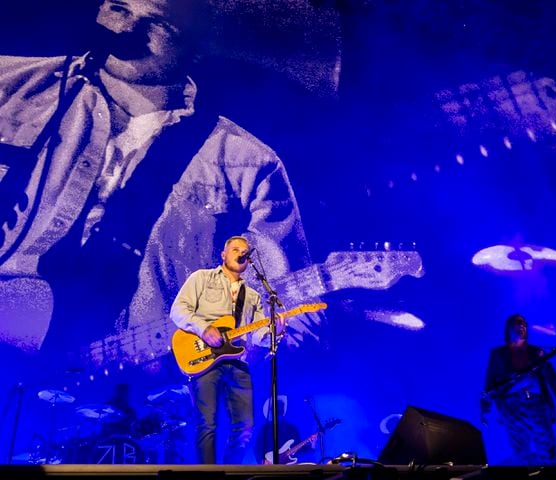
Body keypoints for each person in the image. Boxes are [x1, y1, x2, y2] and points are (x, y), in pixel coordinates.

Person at [0, 0, 321, 369]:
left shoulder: (248, 163)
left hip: (129, 396)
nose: (127, 30)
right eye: (119, 9)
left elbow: (294, 323)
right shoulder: (8, 88)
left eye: (159, 25)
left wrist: (227, 342)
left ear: (197, 48)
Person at [170, 235, 284, 464]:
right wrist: (203, 329)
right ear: (223, 255)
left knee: (245, 426)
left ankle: (230, 473)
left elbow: (259, 336)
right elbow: (178, 310)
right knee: (206, 422)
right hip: (204, 358)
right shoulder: (201, 278)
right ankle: (206, 476)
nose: (241, 253)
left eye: (245, 250)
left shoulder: (253, 296)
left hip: (238, 362)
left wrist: (276, 330)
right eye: (235, 249)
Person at [480, 313, 556, 466]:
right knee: (521, 453)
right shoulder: (498, 354)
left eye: (524, 324)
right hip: (512, 407)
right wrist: (485, 410)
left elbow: (553, 381)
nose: (521, 327)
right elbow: (489, 383)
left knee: (547, 449)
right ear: (509, 328)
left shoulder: (537, 352)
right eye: (517, 324)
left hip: (537, 404)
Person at [254, 395, 316, 465]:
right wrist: (263, 461)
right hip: (270, 466)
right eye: (277, 407)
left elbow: (299, 449)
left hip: (289, 467)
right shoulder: (265, 428)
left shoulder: (291, 428)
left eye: (280, 407)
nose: (279, 409)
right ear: (272, 410)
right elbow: (257, 448)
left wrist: (312, 445)